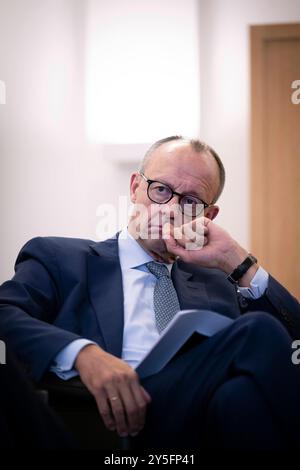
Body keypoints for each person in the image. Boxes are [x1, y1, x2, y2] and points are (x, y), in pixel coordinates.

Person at [0, 135, 300, 449]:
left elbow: (291, 347)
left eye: (190, 202)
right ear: (135, 188)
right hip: (103, 420)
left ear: (207, 217)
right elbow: (5, 314)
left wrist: (237, 260)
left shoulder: (219, 281)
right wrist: (83, 354)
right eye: (161, 190)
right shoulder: (61, 258)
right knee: (257, 332)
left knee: (241, 392)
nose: (170, 209)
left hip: (199, 421)